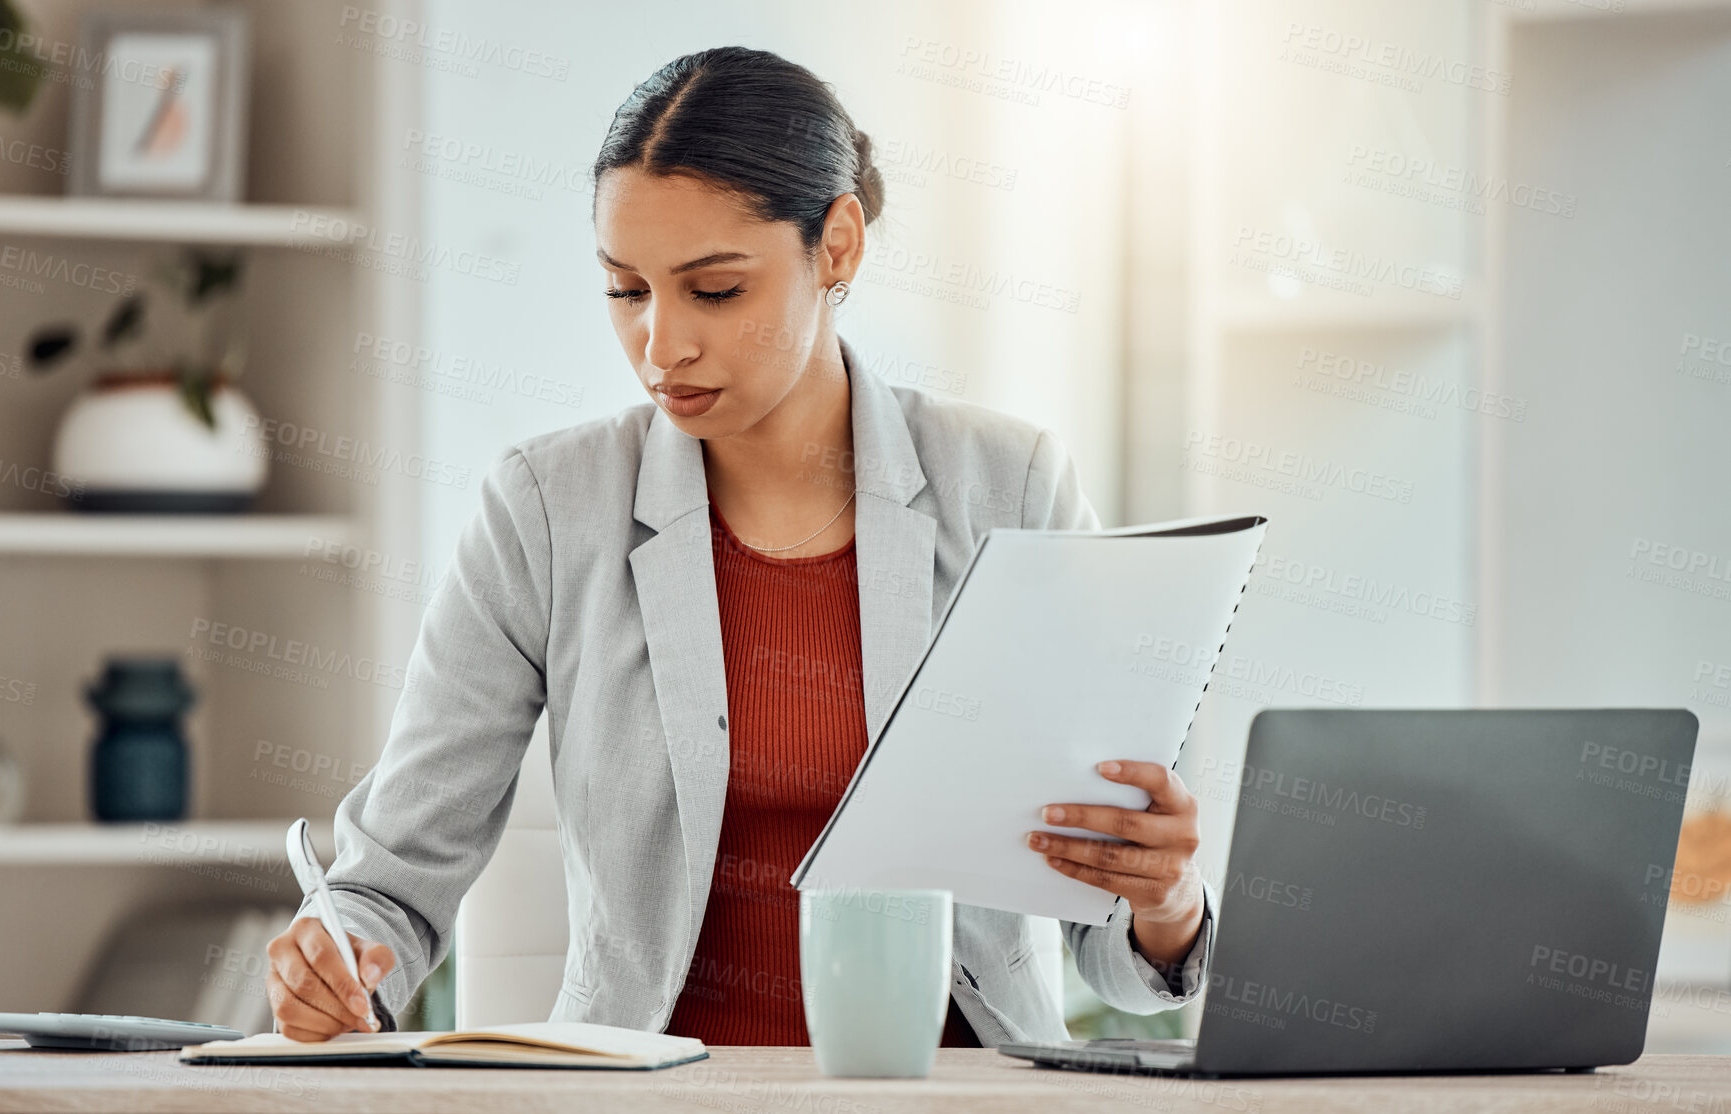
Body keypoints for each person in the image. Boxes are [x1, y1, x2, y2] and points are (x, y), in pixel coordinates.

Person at [265, 45, 1213, 1047]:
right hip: (646, 1093)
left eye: (713, 291)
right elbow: (386, 887)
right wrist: (338, 961)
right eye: (625, 290)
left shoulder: (1011, 488)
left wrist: (1165, 898)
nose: (660, 345)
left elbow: (1127, 962)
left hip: (950, 1093)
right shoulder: (543, 509)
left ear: (836, 246)